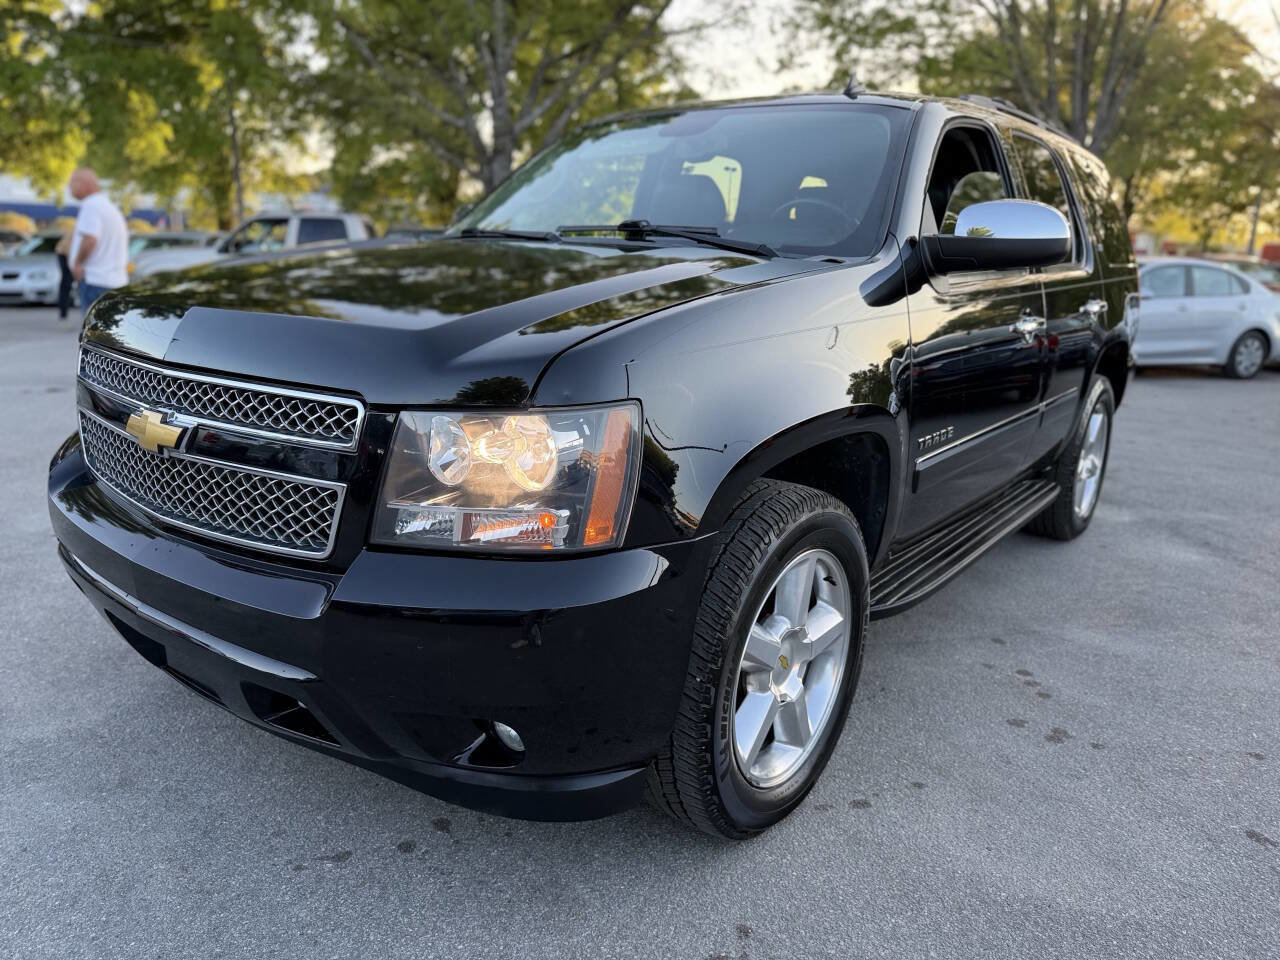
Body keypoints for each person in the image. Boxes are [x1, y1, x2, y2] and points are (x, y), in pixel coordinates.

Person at [67, 168, 128, 312]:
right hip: (113, 281)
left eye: (71, 182)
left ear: (83, 184)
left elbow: (90, 238)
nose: (69, 187)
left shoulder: (91, 206)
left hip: (95, 281)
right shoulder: (107, 206)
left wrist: (77, 263)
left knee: (93, 332)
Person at [54, 227, 74, 320]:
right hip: (65, 254)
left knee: (66, 283)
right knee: (66, 283)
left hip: (65, 253)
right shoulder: (81, 231)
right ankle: (63, 312)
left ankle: (63, 312)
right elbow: (68, 249)